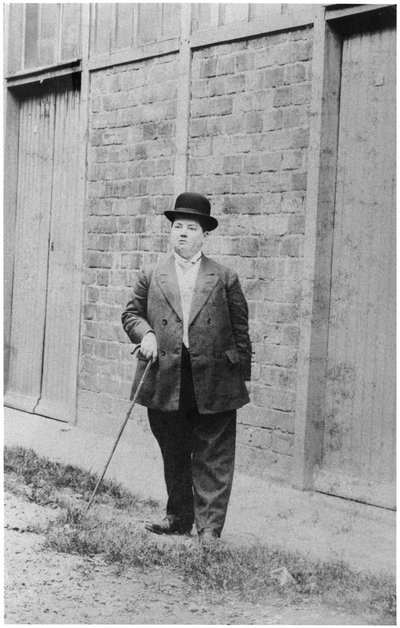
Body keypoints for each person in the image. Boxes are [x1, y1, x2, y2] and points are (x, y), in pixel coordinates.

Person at [121, 192, 251, 546]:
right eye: (177, 226)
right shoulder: (152, 274)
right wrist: (145, 333)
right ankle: (178, 515)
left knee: (214, 453)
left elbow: (240, 330)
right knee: (174, 447)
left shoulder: (224, 277)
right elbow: (131, 314)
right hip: (166, 375)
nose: (181, 233)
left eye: (190, 228)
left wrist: (240, 378)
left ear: (204, 235)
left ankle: (209, 528)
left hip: (213, 377)